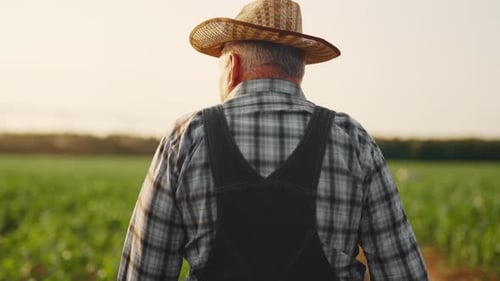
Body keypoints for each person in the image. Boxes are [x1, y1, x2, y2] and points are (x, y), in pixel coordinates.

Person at [117, 0, 429, 280]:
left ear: (234, 66)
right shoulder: (353, 140)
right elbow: (403, 271)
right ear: (299, 71)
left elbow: (144, 273)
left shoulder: (185, 138)